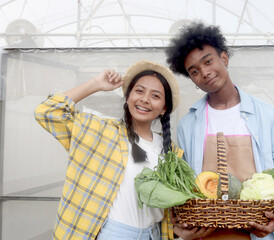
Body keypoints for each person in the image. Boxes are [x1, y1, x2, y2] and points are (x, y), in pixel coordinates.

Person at [165, 22, 274, 240]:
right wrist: (179, 227)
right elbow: (184, 188)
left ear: (224, 58)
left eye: (208, 61)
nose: (204, 73)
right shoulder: (188, 124)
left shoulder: (265, 114)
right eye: (194, 71)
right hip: (205, 234)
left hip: (254, 231)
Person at [34, 60, 180, 240]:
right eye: (139, 91)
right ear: (128, 97)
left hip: (153, 235)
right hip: (112, 234)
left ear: (163, 109)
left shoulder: (172, 151)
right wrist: (96, 84)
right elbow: (47, 111)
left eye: (155, 96)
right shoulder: (101, 132)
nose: (144, 99)